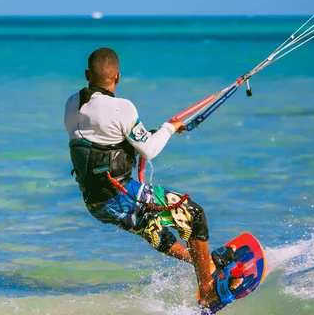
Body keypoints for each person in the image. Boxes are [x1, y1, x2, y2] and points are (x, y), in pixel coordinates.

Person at [64, 47, 218, 308]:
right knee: (193, 215)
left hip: (94, 202)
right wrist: (169, 129)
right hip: (120, 195)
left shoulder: (71, 104)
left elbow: (103, 140)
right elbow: (149, 149)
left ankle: (207, 264)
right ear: (118, 77)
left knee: (154, 229)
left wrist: (147, 135)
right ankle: (208, 291)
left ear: (87, 74)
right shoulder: (121, 107)